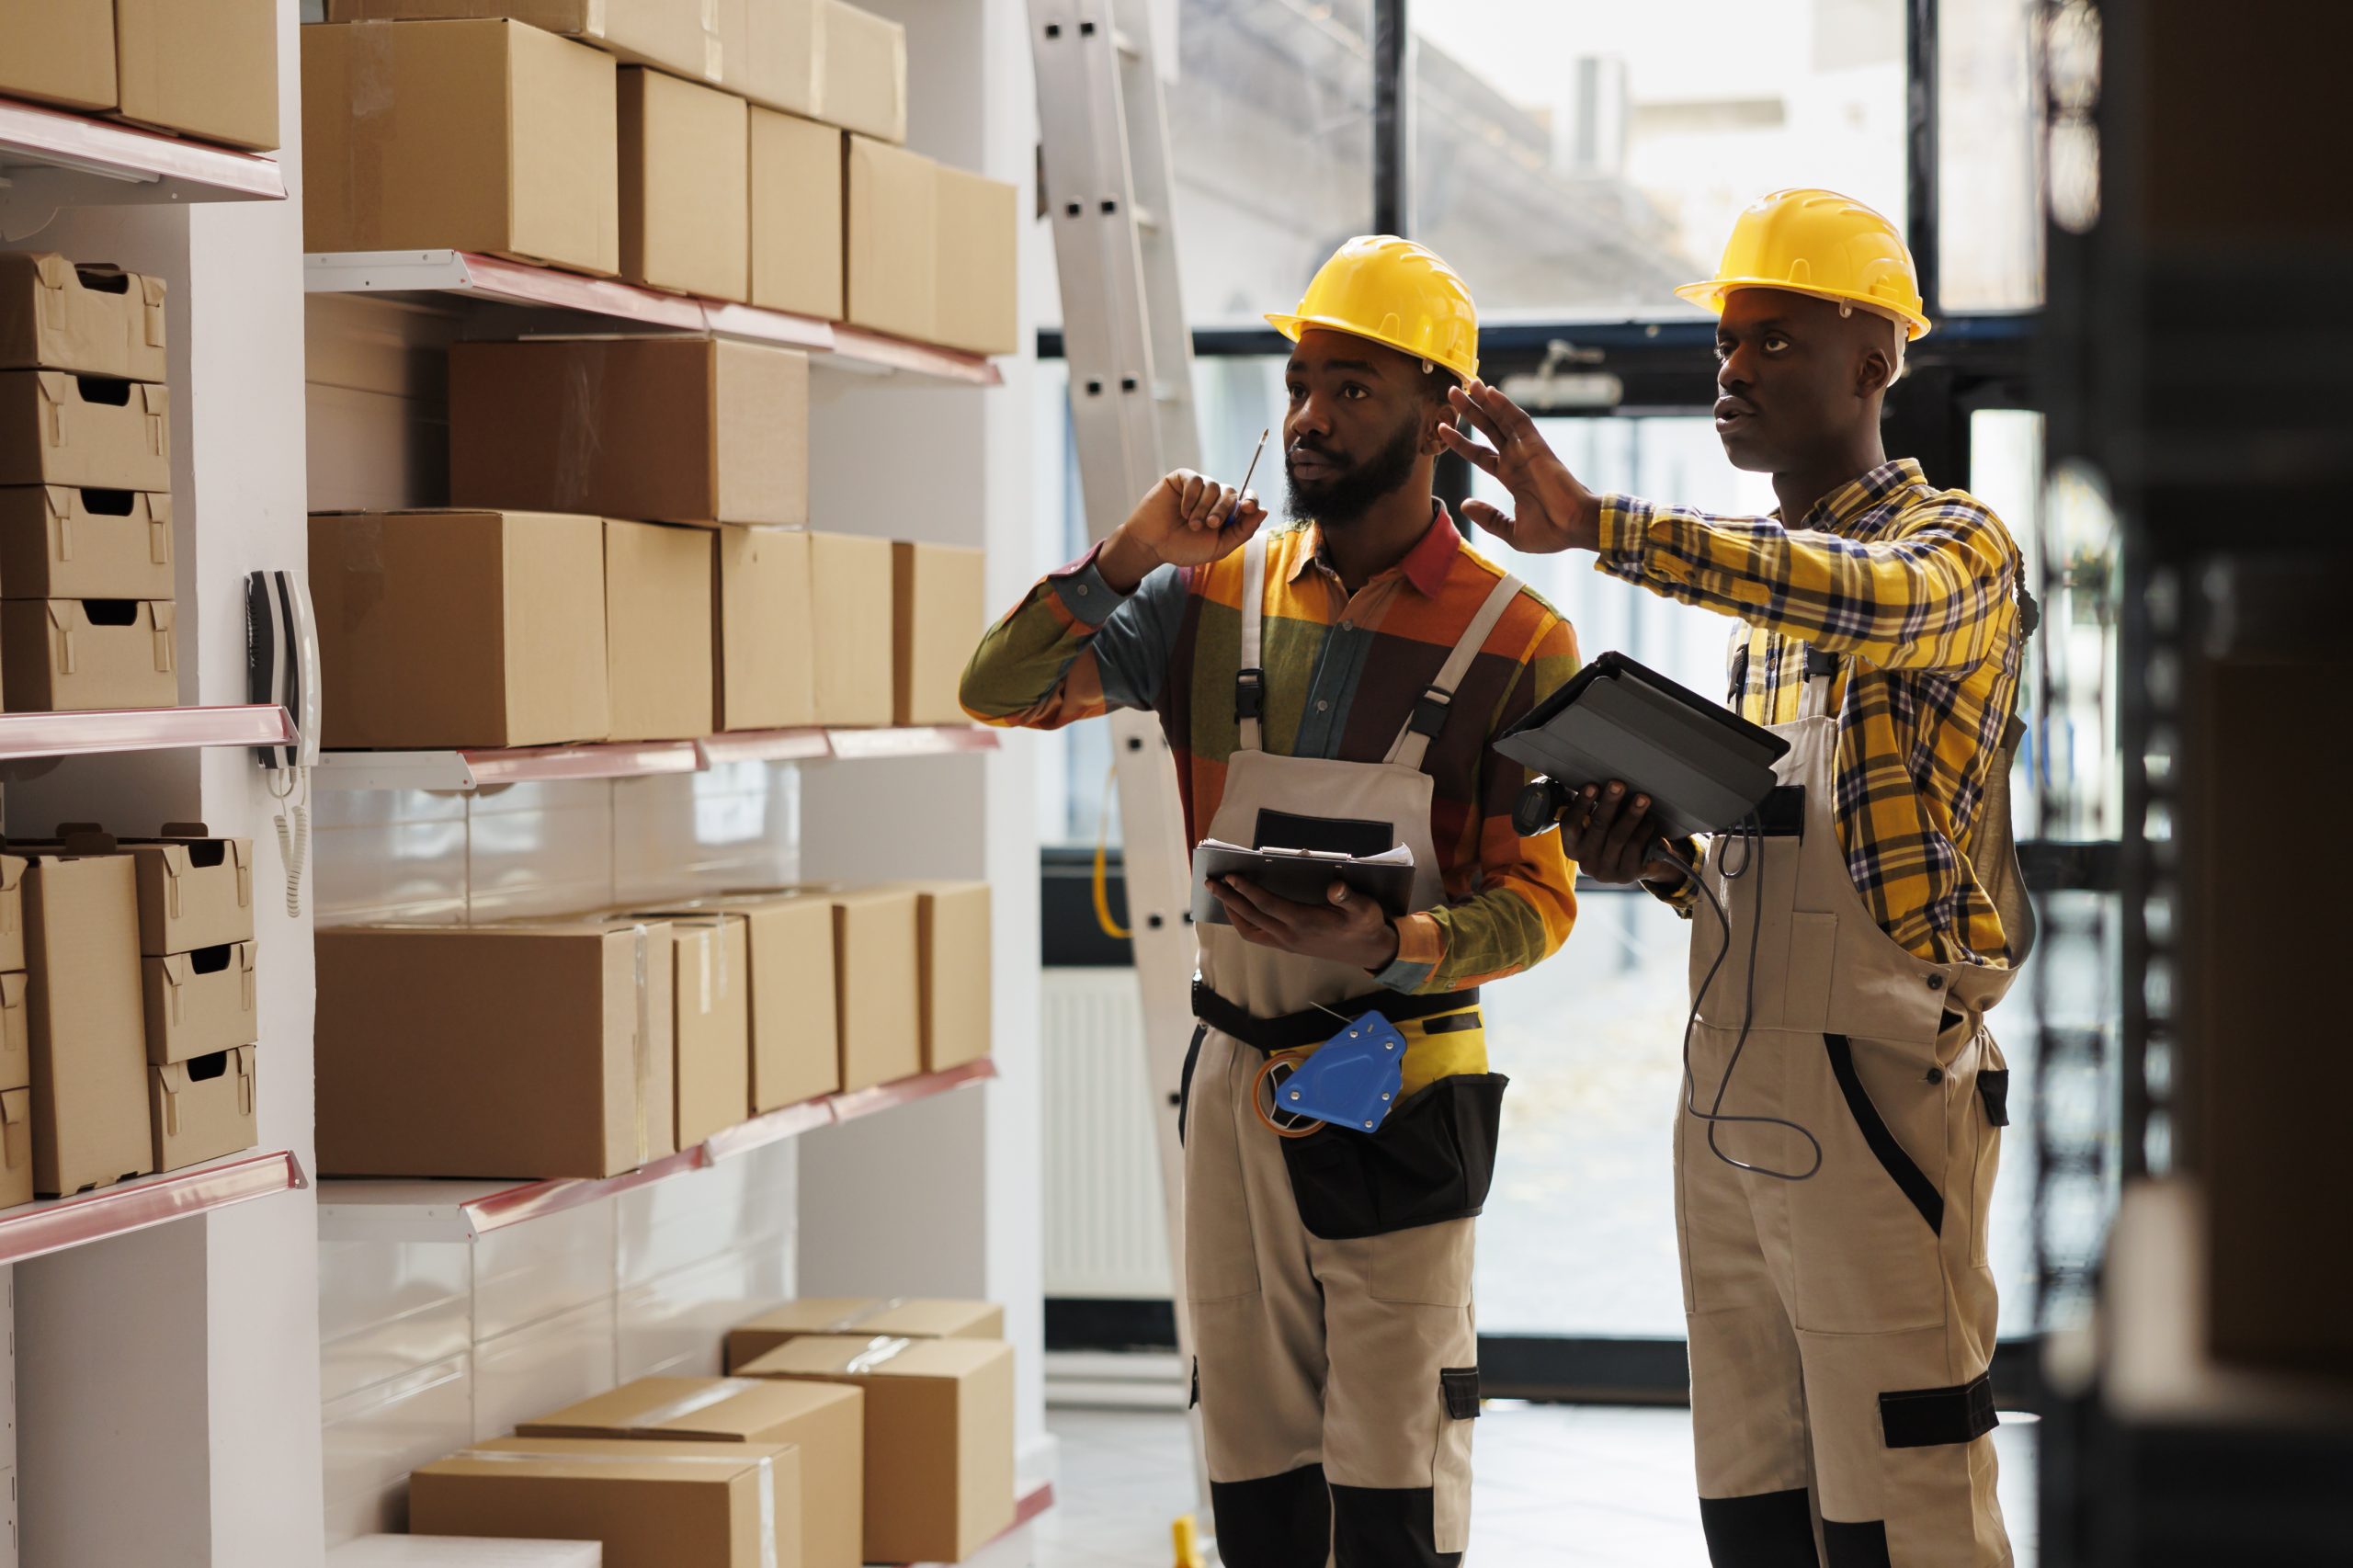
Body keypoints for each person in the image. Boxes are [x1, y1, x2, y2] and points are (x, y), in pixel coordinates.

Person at [963, 236, 1582, 1566]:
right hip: (1236, 1084)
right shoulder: (1207, 598)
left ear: (1439, 414)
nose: (1311, 414)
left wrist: (1396, 939)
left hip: (1399, 1078)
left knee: (1393, 1487)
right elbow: (1000, 686)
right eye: (1303, 382)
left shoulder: (1518, 641)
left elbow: (1540, 902)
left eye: (1353, 388)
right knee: (1255, 1478)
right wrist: (1130, 550)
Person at [1440, 189, 2035, 1568]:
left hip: (1878, 1089)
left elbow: (1852, 594)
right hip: (1726, 1093)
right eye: (1726, 345)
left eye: (1773, 341)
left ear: (1874, 362)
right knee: (1756, 1494)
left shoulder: (1959, 556)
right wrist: (1651, 856)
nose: (1732, 370)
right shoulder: (1763, 639)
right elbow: (1764, 869)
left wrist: (1601, 525)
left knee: (1909, 1494)